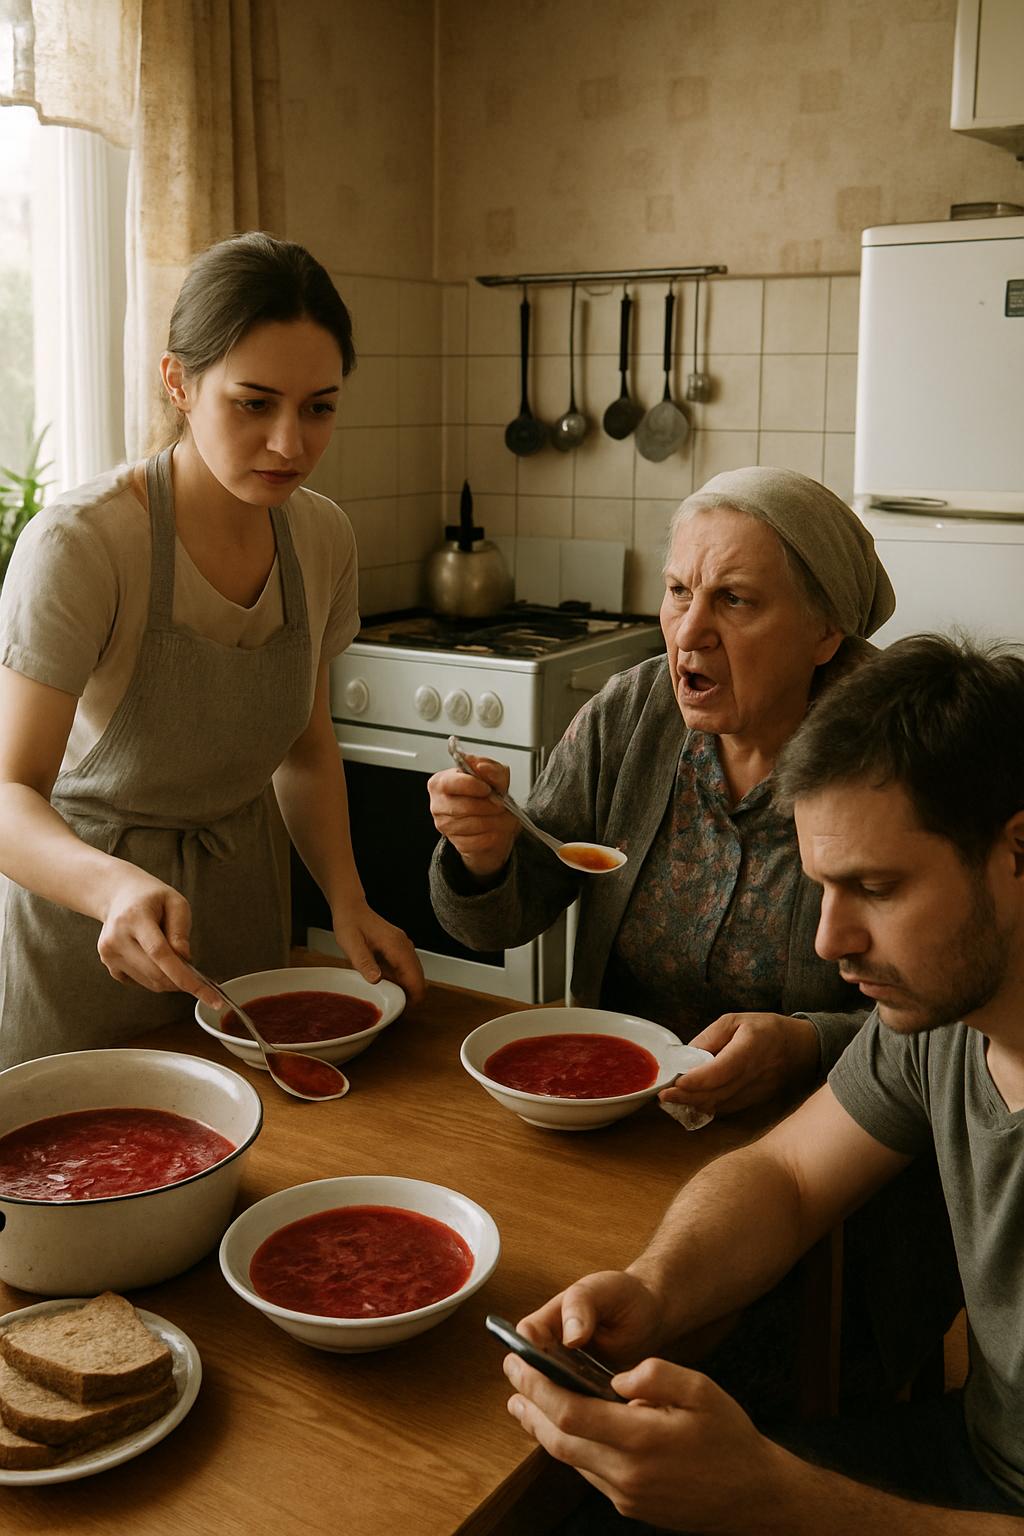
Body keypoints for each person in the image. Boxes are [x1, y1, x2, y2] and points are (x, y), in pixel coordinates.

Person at [504, 633, 1024, 1532]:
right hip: (970, 1461)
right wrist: (657, 1290)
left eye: (877, 887)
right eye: (823, 886)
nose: (831, 942)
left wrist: (776, 1499)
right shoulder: (940, 1021)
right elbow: (784, 1178)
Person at [0, 231, 423, 1068]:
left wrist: (347, 900)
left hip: (241, 919)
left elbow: (303, 748)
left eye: (319, 407)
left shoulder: (323, 540)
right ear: (178, 384)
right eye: (253, 403)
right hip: (86, 927)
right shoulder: (84, 545)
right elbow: (9, 793)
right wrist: (113, 889)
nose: (289, 444)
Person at [429, 466, 894, 1117]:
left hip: (812, 1132)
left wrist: (811, 1044)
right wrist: (484, 855)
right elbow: (503, 918)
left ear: (825, 632)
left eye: (735, 600)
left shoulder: (894, 754)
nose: (688, 632)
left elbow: (951, 1018)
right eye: (679, 591)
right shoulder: (630, 714)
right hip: (610, 1108)